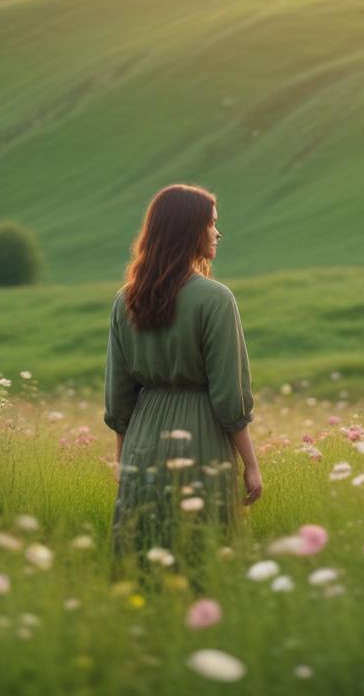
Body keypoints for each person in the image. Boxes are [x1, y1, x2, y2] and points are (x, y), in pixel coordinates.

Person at [104, 183, 263, 587]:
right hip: (201, 438)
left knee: (144, 557)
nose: (216, 234)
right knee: (204, 555)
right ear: (190, 230)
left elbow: (118, 394)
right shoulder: (215, 299)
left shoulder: (126, 301)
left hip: (142, 441)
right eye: (211, 224)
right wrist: (251, 463)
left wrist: (125, 460)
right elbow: (229, 394)